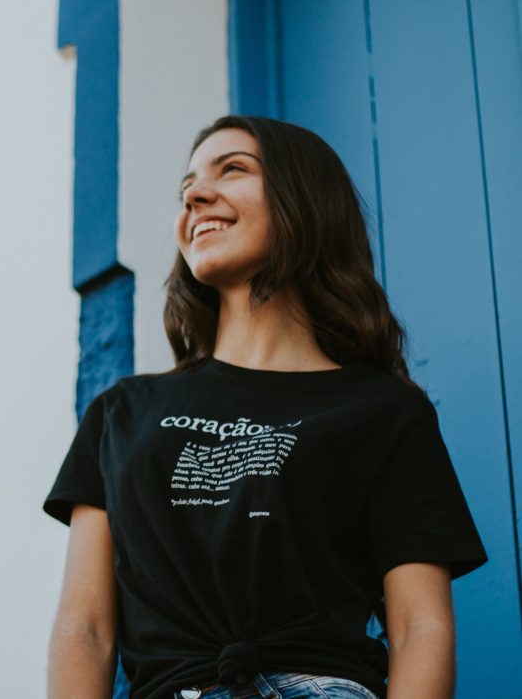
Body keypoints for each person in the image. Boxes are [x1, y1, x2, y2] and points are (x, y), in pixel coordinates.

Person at [42, 115, 488, 699]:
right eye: (187, 189)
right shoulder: (121, 413)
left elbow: (419, 628)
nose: (197, 196)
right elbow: (85, 629)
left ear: (304, 201)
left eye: (233, 170)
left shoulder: (386, 411)